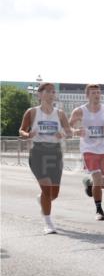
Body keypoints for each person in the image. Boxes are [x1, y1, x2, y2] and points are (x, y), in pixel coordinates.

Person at [19, 82, 71, 234]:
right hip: (38, 153)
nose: (51, 94)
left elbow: (69, 130)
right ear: (39, 94)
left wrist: (63, 133)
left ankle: (41, 199)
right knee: (47, 190)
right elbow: (22, 130)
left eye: (53, 92)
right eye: (47, 91)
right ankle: (48, 223)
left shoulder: (60, 113)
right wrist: (27, 135)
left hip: (55, 153)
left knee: (54, 194)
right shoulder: (32, 112)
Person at [69, 84, 104, 220]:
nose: (97, 95)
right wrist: (75, 131)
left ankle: (88, 182)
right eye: (94, 93)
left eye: (98, 92)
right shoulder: (80, 111)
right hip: (88, 149)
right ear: (87, 95)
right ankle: (99, 210)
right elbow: (68, 127)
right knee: (97, 179)